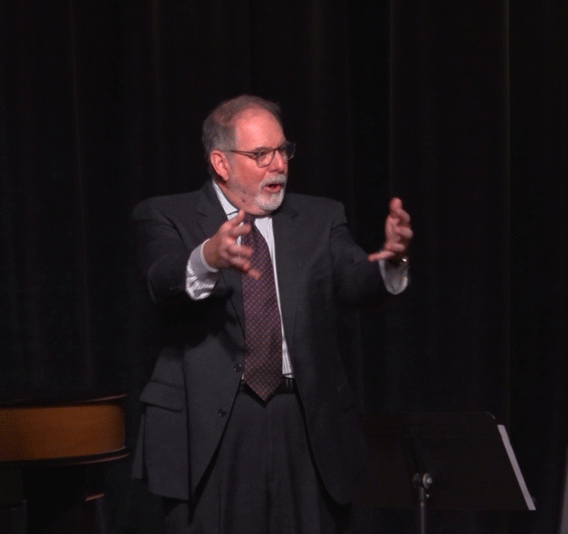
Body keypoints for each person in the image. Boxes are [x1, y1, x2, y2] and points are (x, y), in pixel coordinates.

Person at [130, 95, 411, 534]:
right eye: (261, 154)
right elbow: (161, 280)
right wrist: (207, 256)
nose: (278, 164)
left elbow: (356, 281)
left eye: (283, 151)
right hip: (212, 427)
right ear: (221, 163)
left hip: (303, 420)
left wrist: (390, 263)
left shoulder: (320, 217)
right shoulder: (167, 214)